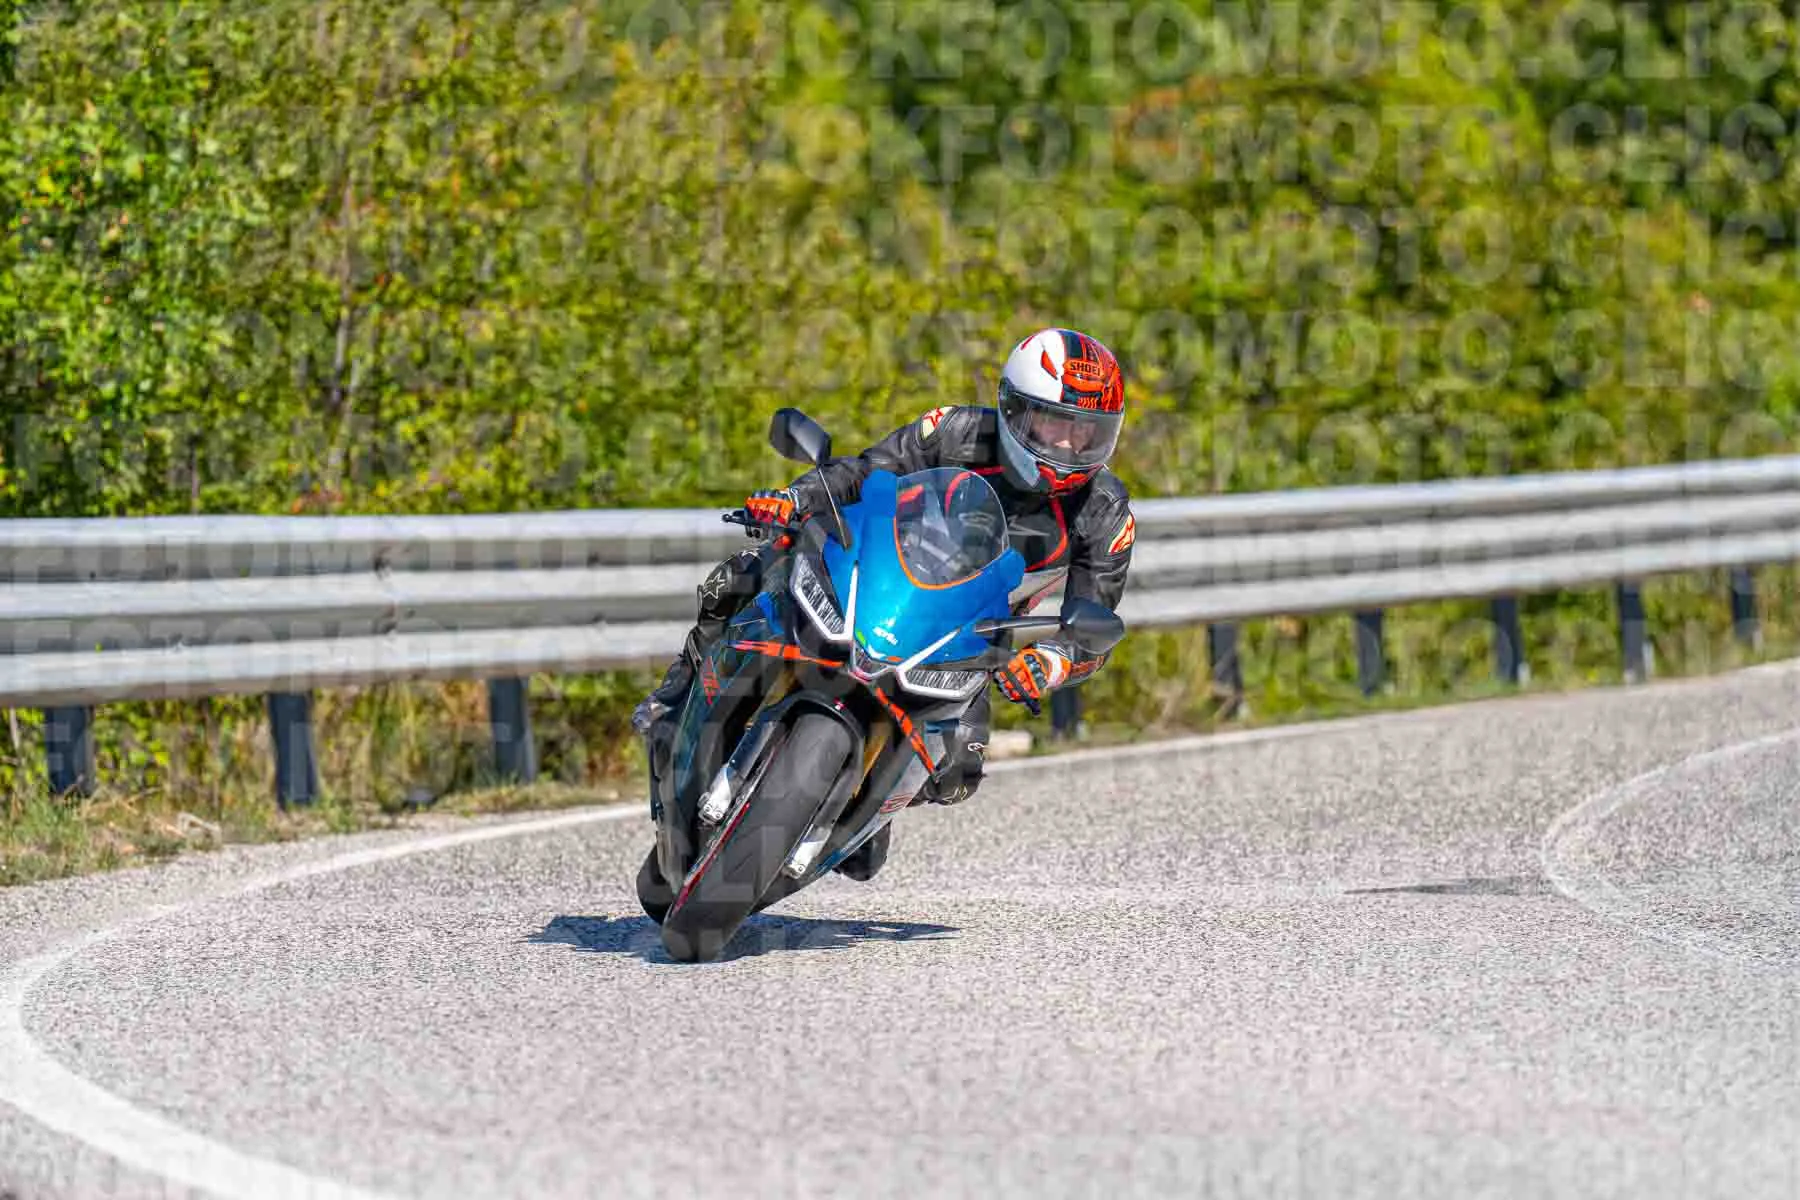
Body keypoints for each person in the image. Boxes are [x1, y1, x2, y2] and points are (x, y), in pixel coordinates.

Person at [632, 327, 1137, 879]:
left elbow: (1095, 621)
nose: (1069, 447)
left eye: (1087, 433)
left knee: (958, 772)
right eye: (1056, 424)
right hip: (879, 579)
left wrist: (1051, 662)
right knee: (743, 574)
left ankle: (864, 798)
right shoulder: (956, 431)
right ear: (1014, 410)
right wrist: (794, 498)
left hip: (969, 635)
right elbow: (863, 473)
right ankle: (675, 694)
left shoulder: (1105, 513)